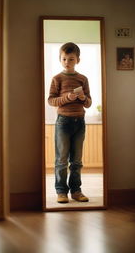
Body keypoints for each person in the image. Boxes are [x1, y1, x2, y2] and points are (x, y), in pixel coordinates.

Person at [48, 42, 92, 203]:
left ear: (78, 60)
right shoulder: (57, 79)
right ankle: (61, 191)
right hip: (63, 122)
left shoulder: (83, 79)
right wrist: (67, 98)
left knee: (77, 161)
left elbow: (88, 103)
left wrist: (83, 98)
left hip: (80, 122)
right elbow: (51, 100)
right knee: (61, 160)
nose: (67, 62)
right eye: (64, 59)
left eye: (71, 59)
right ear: (60, 59)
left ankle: (76, 190)